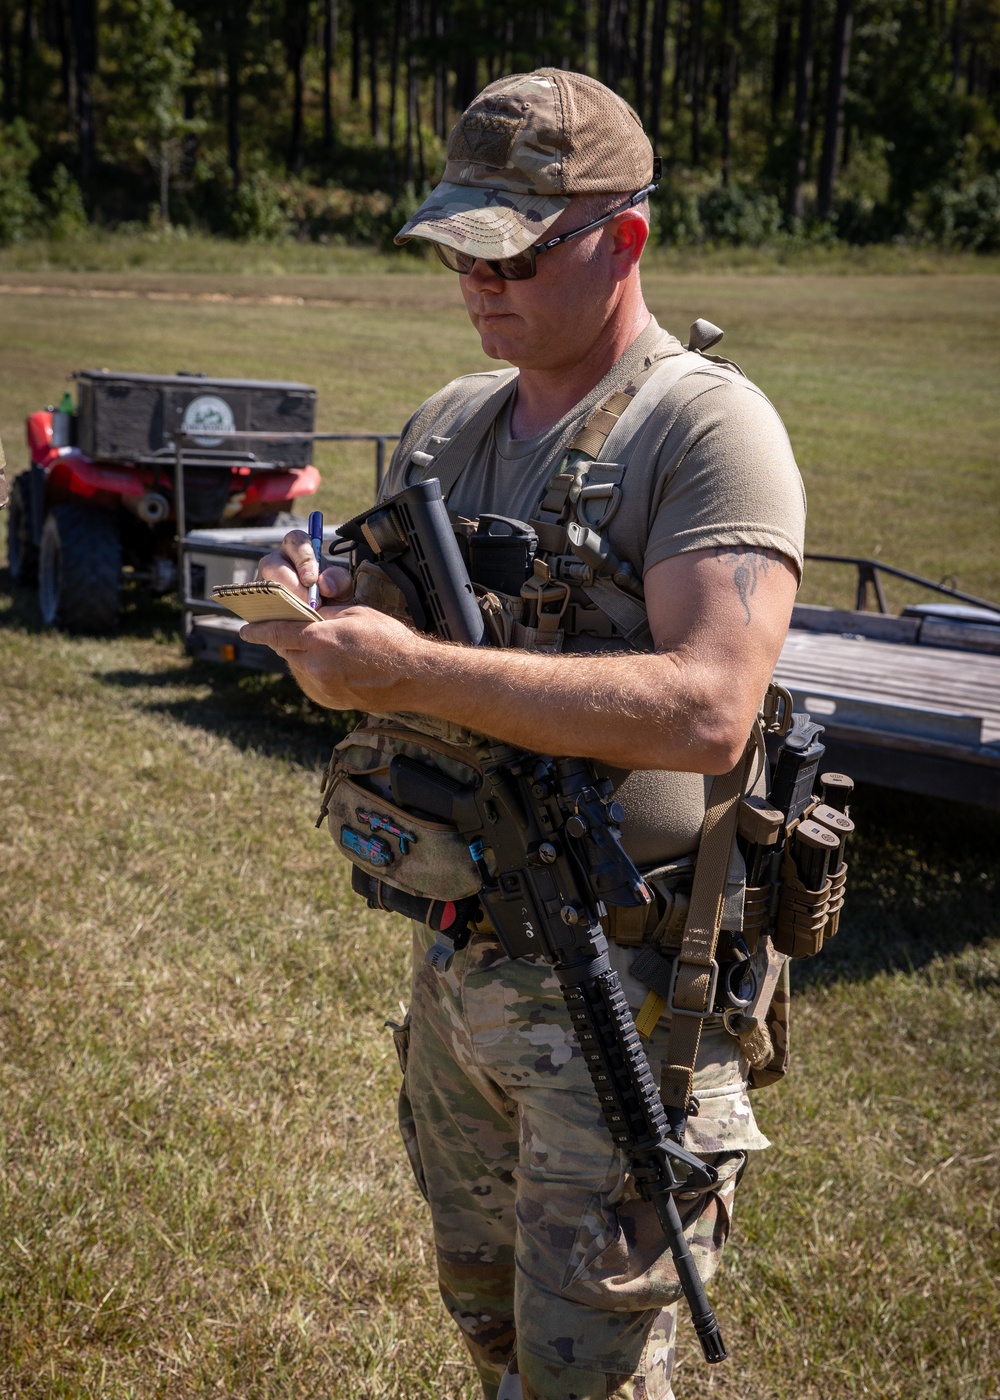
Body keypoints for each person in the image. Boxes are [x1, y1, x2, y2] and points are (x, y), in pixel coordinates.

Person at [246, 68, 805, 1400]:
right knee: (495, 1342)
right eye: (459, 249)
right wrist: (316, 607)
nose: (478, 282)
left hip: (621, 992)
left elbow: (710, 705)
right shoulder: (453, 420)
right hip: (461, 983)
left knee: (592, 1382)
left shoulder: (706, 430)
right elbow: (384, 620)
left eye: (512, 250)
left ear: (626, 239)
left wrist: (413, 670)